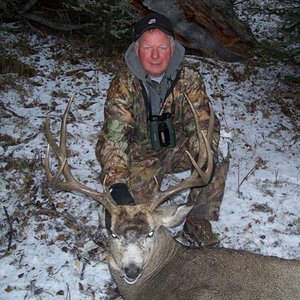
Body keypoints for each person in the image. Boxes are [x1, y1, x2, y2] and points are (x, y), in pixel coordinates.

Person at [96, 12, 228, 240]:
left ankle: (197, 220)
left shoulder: (189, 79)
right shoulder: (123, 85)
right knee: (134, 216)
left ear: (173, 48)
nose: (155, 56)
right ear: (137, 50)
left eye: (162, 48)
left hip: (180, 150)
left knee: (217, 152)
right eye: (148, 48)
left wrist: (205, 158)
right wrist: (117, 184)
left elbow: (202, 125)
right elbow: (113, 139)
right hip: (141, 157)